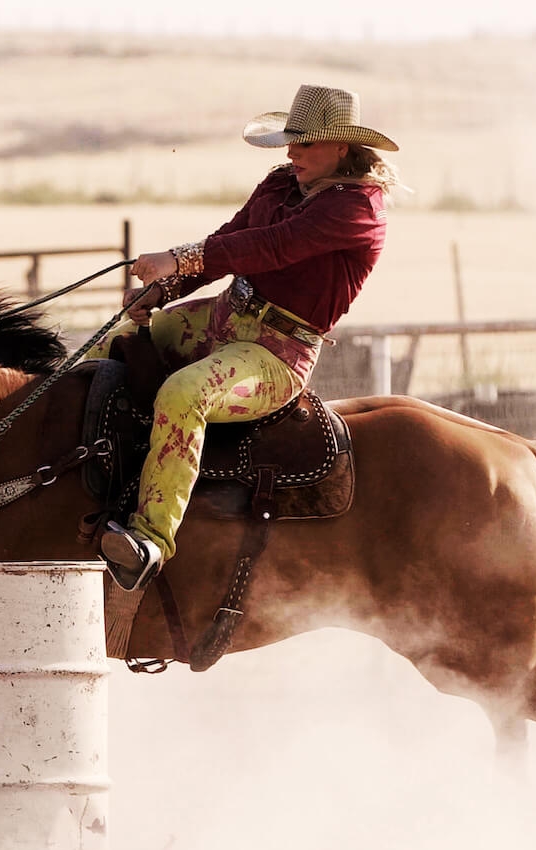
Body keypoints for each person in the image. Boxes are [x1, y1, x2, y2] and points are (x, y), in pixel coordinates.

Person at [94, 84, 400, 591]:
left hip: (275, 354)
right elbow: (232, 239)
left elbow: (272, 247)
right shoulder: (281, 184)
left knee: (183, 395)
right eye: (291, 141)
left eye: (306, 142)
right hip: (220, 318)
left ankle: (149, 540)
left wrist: (180, 258)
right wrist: (163, 289)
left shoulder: (358, 209)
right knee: (113, 345)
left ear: (342, 148)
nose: (292, 151)